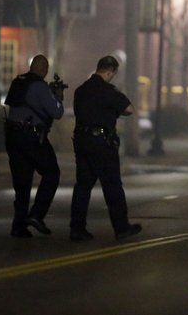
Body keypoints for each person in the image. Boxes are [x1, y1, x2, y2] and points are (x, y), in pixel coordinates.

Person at [69, 55, 141, 241]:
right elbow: (130, 109)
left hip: (82, 142)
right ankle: (121, 227)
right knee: (113, 186)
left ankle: (77, 228)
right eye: (113, 74)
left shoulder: (81, 90)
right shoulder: (108, 91)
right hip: (102, 144)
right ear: (110, 72)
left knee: (83, 186)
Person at [3, 55, 65, 238]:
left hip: (13, 137)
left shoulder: (19, 82)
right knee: (52, 173)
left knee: (22, 183)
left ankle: (18, 226)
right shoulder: (40, 86)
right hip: (32, 136)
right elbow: (57, 112)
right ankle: (37, 214)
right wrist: (58, 97)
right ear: (44, 69)